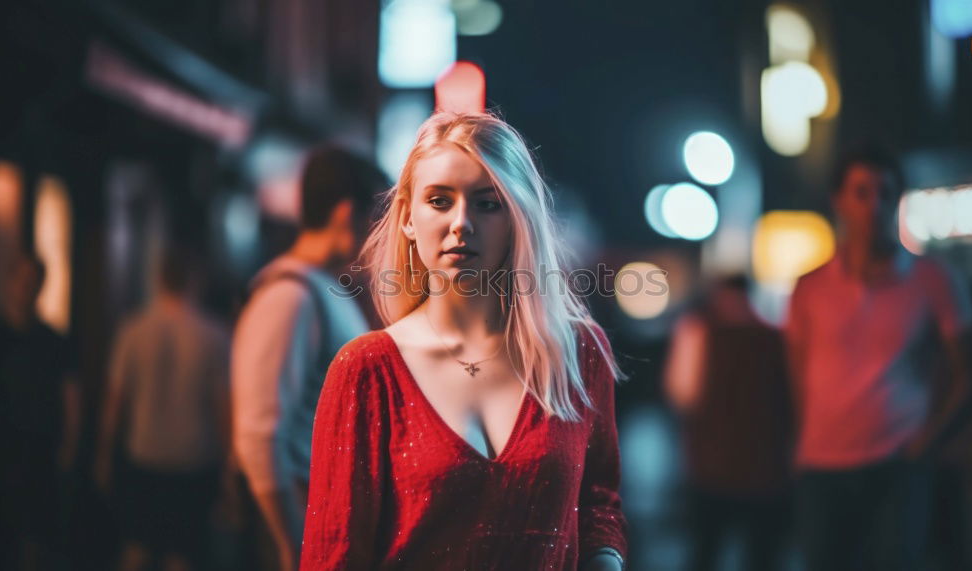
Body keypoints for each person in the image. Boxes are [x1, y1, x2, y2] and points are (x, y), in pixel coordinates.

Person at [300, 111, 628, 570]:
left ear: (518, 218)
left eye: (487, 203)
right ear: (408, 219)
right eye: (439, 200)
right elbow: (334, 555)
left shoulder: (577, 352)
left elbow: (597, 504)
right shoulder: (367, 370)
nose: (461, 223)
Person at [785, 144, 972, 571]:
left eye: (886, 192)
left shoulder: (933, 279)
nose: (875, 204)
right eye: (861, 191)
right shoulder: (810, 287)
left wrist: (923, 447)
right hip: (821, 468)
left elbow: (971, 377)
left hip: (897, 465)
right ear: (839, 200)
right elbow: (796, 375)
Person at [231, 146, 378, 571]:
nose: (378, 236)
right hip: (300, 524)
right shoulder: (289, 296)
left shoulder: (325, 288)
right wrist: (293, 543)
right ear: (346, 214)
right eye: (375, 220)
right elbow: (259, 435)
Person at [95, 245, 230, 571]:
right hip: (193, 459)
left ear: (159, 279)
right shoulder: (213, 335)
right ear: (195, 280)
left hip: (143, 454)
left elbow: (115, 401)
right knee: (182, 557)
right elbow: (223, 408)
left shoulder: (133, 330)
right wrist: (229, 471)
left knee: (136, 549)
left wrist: (103, 454)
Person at [665, 275, 793, 571]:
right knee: (761, 556)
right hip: (766, 469)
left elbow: (682, 394)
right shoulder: (776, 338)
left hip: (711, 466)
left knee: (706, 550)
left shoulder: (698, 332)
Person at [0, 252, 79, 571]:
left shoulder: (53, 341)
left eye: (33, 281)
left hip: (39, 451)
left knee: (35, 536)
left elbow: (71, 397)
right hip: (4, 452)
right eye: (22, 280)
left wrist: (69, 448)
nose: (26, 288)